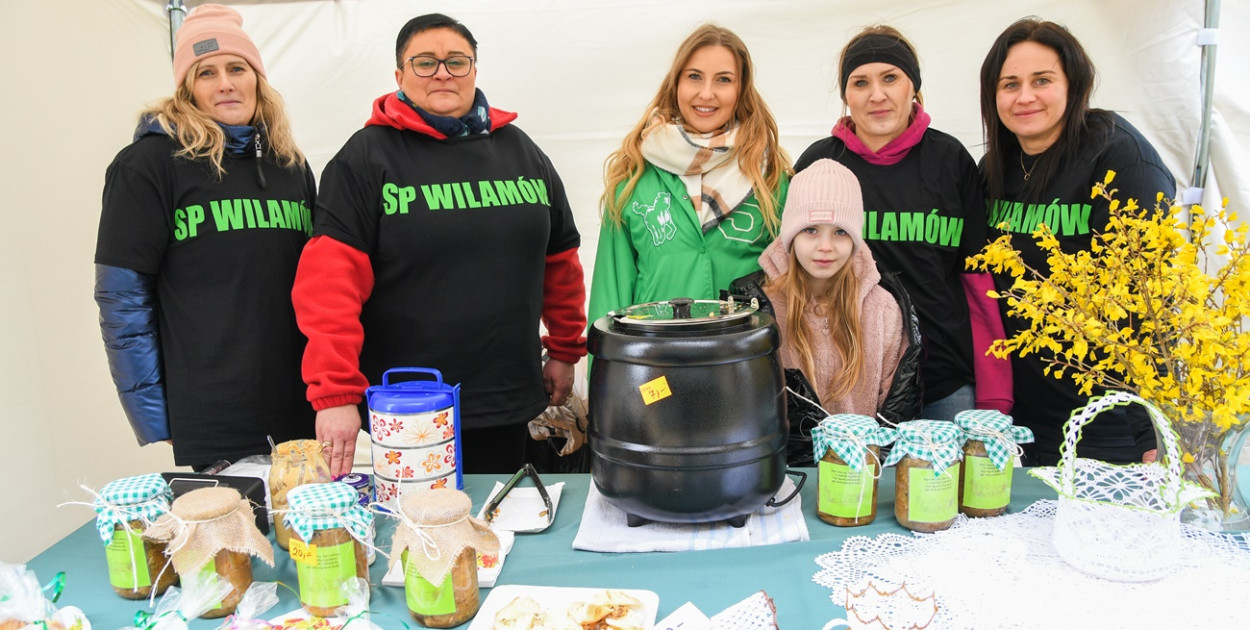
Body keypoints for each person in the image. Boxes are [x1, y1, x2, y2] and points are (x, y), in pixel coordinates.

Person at [292, 13, 587, 477]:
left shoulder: (520, 151)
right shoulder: (366, 158)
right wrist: (335, 394)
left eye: (456, 61)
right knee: (420, 522)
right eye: (425, 62)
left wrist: (566, 349)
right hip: (409, 407)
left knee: (498, 514)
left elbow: (560, 260)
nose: (443, 73)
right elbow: (328, 288)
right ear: (399, 75)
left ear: (474, 70)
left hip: (506, 395)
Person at [95, 4, 316, 470]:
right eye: (206, 73)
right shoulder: (148, 166)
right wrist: (154, 416)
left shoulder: (290, 165)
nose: (225, 83)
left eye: (237, 68)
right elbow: (122, 300)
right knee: (237, 520)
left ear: (257, 78)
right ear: (187, 89)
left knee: (308, 520)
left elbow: (319, 289)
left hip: (300, 410)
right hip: (215, 416)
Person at [979, 17, 1175, 465]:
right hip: (1018, 423)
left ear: (1074, 84)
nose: (1024, 96)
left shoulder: (1120, 157)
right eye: (1010, 84)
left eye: (1042, 80)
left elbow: (1148, 300)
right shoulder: (995, 167)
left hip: (1108, 428)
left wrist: (1151, 431)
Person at [794, 25, 1009, 423]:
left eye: (890, 78)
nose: (877, 95)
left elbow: (978, 282)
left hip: (943, 384)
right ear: (846, 95)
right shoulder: (820, 166)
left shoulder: (950, 160)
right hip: (847, 387)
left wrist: (995, 391)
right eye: (861, 82)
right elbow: (794, 281)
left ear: (914, 86)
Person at [588, 24, 790, 324]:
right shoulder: (633, 176)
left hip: (741, 350)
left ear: (741, 90)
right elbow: (610, 291)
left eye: (723, 79)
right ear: (676, 83)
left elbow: (795, 289)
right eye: (694, 76)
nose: (706, 93)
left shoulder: (770, 178)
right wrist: (602, 354)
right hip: (655, 350)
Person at [728, 159, 920, 466]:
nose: (825, 246)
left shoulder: (883, 309)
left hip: (860, 475)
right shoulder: (762, 307)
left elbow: (894, 412)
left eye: (840, 232)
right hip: (787, 475)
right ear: (790, 235)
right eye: (811, 230)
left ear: (855, 239)